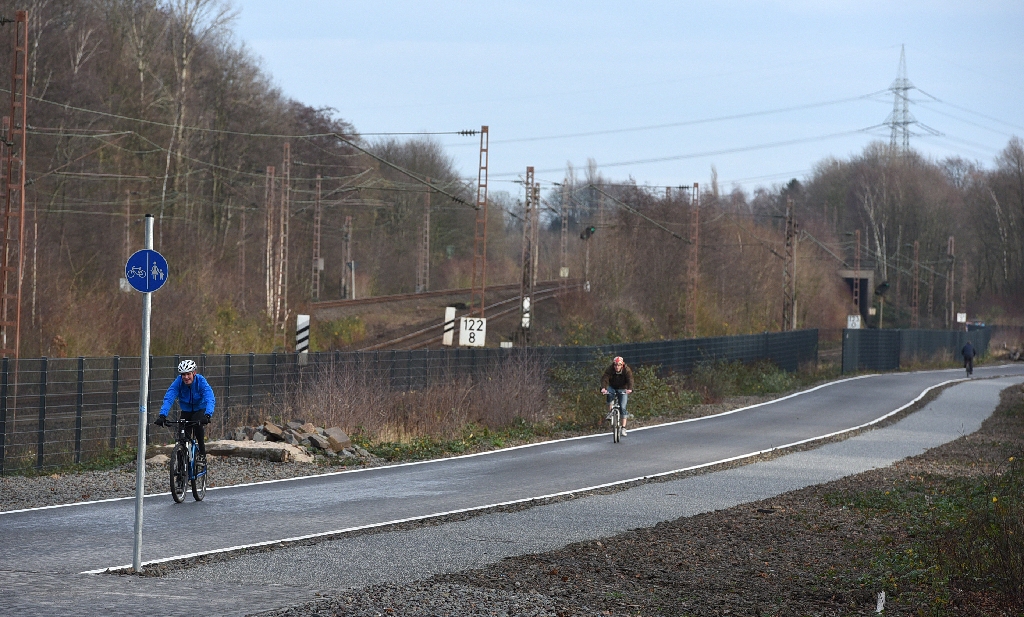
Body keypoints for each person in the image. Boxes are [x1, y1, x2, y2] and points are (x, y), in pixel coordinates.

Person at [155, 359, 216, 463]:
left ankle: (201, 453)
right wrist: (162, 415)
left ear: (194, 373)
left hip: (199, 409)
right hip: (186, 411)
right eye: (183, 374)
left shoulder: (200, 381)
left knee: (198, 426)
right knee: (182, 436)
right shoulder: (178, 382)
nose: (186, 377)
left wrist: (208, 415)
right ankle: (181, 465)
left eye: (188, 374)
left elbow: (209, 397)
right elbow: (169, 398)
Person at [601, 356, 634, 436]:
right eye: (615, 365)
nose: (617, 367)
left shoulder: (626, 370)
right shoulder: (610, 369)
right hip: (612, 387)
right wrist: (603, 388)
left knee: (623, 407)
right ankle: (610, 412)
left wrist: (629, 389)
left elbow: (630, 379)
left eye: (619, 365)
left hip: (623, 388)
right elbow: (605, 378)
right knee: (609, 394)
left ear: (622, 365)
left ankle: (623, 428)